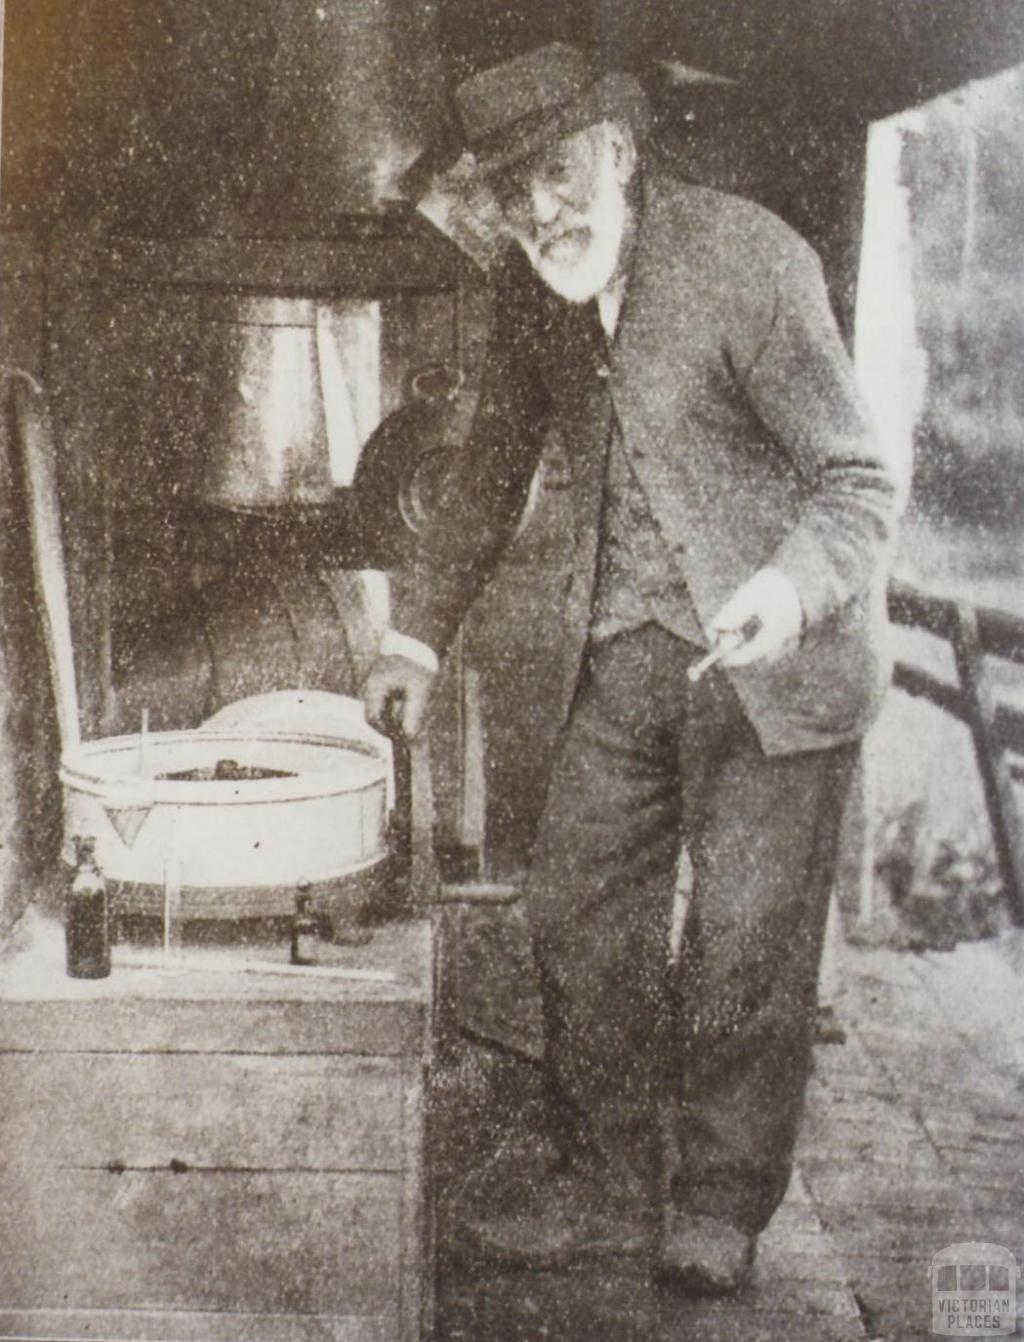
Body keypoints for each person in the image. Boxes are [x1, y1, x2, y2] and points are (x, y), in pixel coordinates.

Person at [362, 41, 902, 1294]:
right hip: (633, 652)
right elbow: (489, 469)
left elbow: (858, 482)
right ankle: (607, 1184)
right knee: (575, 907)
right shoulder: (533, 287)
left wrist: (787, 588)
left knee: (742, 944)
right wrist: (414, 635)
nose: (539, 212)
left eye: (555, 173)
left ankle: (717, 1204)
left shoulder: (747, 261)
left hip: (779, 665)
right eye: (510, 192)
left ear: (616, 149)